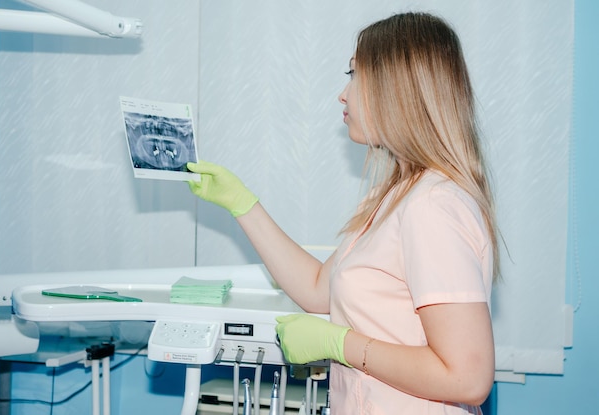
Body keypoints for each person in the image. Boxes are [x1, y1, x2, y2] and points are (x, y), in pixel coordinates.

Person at [187, 11, 498, 415]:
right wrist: (243, 205)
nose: (343, 94)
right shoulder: (394, 196)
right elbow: (319, 289)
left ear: (396, 86)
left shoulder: (432, 206)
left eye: (353, 74)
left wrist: (339, 344)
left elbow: (467, 378)